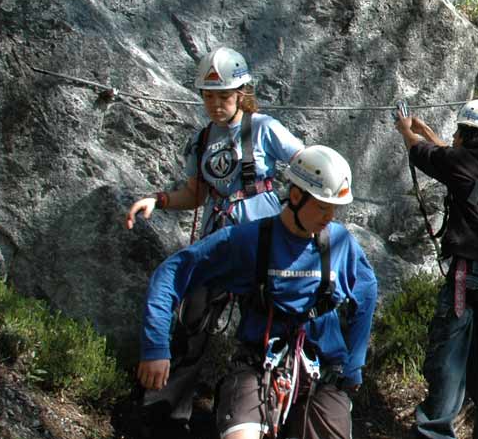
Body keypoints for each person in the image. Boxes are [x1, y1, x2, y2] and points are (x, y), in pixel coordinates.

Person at [138, 145, 378, 439]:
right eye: (323, 206)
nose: (330, 217)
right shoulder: (248, 240)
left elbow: (366, 294)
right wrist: (155, 347)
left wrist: (353, 365)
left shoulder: (341, 244)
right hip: (257, 364)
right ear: (295, 196)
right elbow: (172, 272)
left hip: (322, 372)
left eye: (334, 209)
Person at [123, 46, 306, 429]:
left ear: (241, 92)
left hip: (261, 247)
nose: (216, 103)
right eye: (209, 96)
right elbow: (196, 194)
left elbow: (307, 166)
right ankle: (165, 416)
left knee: (267, 334)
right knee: (192, 326)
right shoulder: (202, 139)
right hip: (216, 244)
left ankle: (265, 416)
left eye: (224, 95)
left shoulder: (264, 129)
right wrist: (156, 200)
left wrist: (297, 212)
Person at [395, 100, 478, 439]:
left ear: (470, 135)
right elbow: (450, 155)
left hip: (467, 274)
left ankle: (434, 433)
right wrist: (427, 129)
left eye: (459, 131)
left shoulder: (464, 162)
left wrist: (406, 129)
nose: (454, 136)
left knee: (449, 356)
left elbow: (427, 155)